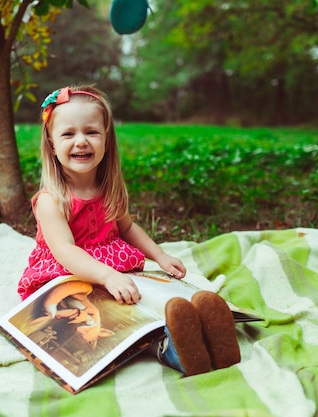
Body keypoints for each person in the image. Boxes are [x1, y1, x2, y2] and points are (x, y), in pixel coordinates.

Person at [18, 85, 240, 376]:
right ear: (51, 143)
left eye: (92, 132)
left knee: (142, 298)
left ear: (107, 140)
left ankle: (207, 332)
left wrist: (159, 256)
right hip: (70, 275)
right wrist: (108, 276)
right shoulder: (52, 200)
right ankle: (175, 350)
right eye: (68, 134)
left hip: (113, 272)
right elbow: (65, 251)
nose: (81, 141)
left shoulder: (109, 189)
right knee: (116, 318)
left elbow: (128, 228)